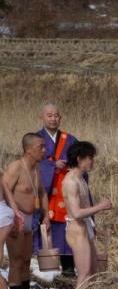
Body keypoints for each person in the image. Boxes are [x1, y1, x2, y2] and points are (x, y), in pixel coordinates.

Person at [2, 134, 48, 289]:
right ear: (29, 150)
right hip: (16, 217)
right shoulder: (16, 167)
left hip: (31, 218)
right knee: (16, 260)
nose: (44, 150)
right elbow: (3, 192)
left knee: (27, 259)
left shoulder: (36, 168)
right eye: (41, 147)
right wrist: (10, 217)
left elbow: (41, 192)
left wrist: (46, 216)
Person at [35, 103, 79, 276]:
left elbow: (79, 162)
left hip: (65, 192)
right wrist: (52, 165)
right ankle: (47, 270)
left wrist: (69, 166)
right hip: (45, 191)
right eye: (49, 115)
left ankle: (68, 269)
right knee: (46, 227)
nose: (53, 119)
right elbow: (32, 163)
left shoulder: (70, 139)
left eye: (56, 115)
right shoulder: (35, 139)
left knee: (66, 228)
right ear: (42, 117)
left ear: (60, 118)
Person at [61, 141, 112, 288]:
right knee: (84, 273)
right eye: (90, 158)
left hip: (85, 226)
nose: (92, 161)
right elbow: (76, 213)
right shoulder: (71, 181)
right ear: (79, 159)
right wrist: (101, 207)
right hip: (76, 228)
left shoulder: (81, 178)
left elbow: (85, 207)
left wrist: (92, 224)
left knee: (92, 271)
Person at [0, 172, 21, 289]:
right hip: (5, 212)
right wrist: (16, 213)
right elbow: (8, 192)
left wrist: (17, 214)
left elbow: (7, 191)